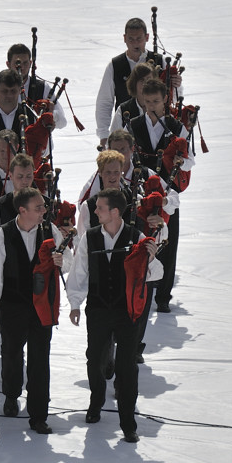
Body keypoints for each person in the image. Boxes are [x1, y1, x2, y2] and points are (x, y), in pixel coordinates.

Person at [66, 188, 163, 443]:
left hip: (127, 311)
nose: (95, 211)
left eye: (100, 208)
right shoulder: (89, 237)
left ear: (115, 211)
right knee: (94, 359)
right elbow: (79, 272)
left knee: (126, 365)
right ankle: (96, 401)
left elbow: (156, 274)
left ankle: (128, 422)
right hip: (98, 308)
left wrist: (151, 258)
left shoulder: (136, 236)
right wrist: (75, 304)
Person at [0, 187, 69, 434]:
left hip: (42, 305)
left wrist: (61, 261)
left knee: (40, 358)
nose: (44, 211)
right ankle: (11, 394)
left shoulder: (50, 230)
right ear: (22, 210)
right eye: (38, 208)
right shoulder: (3, 235)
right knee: (12, 353)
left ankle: (39, 414)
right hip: (13, 304)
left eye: (43, 207)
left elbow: (68, 260)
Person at [128, 78, 193, 313]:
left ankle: (163, 295)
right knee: (141, 239)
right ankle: (141, 287)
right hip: (140, 190)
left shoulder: (176, 127)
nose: (151, 107)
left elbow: (190, 160)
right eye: (147, 102)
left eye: (156, 101)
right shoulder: (133, 125)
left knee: (169, 240)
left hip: (168, 192)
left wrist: (180, 161)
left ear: (165, 99)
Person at [95, 18, 181, 148]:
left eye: (139, 39)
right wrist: (103, 135)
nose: (135, 43)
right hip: (125, 126)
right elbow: (105, 101)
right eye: (131, 39)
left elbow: (173, 97)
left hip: (158, 127)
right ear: (124, 38)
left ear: (147, 37)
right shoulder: (115, 65)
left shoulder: (160, 61)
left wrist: (176, 85)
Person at [0, 43, 67, 130]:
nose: (22, 67)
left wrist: (49, 115)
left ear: (31, 63)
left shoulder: (43, 87)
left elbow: (62, 122)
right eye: (17, 64)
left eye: (25, 63)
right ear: (8, 64)